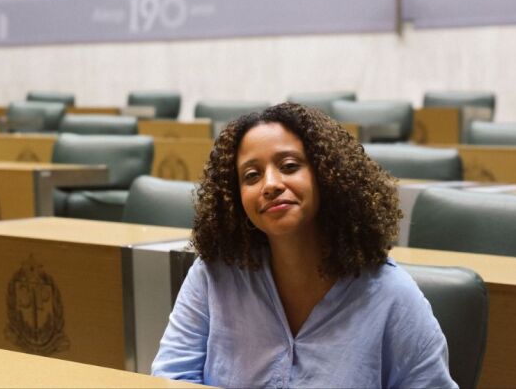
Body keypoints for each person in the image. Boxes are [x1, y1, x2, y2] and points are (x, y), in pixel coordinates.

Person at [152, 102, 456, 388]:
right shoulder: (212, 275)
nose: (270, 184)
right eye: (251, 175)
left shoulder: (392, 295)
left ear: (326, 176)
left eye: (288, 165)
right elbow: (171, 378)